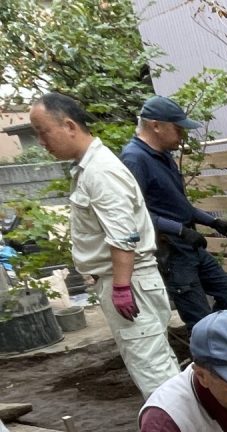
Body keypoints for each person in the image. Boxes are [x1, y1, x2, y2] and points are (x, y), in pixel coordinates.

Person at [28, 92, 180, 397]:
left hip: (129, 283)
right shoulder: (89, 167)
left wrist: (121, 288)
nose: (42, 143)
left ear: (69, 126)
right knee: (154, 364)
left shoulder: (101, 171)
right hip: (125, 281)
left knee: (154, 373)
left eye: (43, 132)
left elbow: (123, 235)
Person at [120, 96, 227, 333]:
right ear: (156, 126)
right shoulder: (135, 159)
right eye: (178, 128)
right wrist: (178, 230)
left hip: (190, 246)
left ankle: (222, 348)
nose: (182, 135)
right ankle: (208, 361)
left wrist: (214, 222)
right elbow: (136, 215)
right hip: (172, 252)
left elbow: (177, 205)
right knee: (200, 322)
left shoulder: (164, 156)